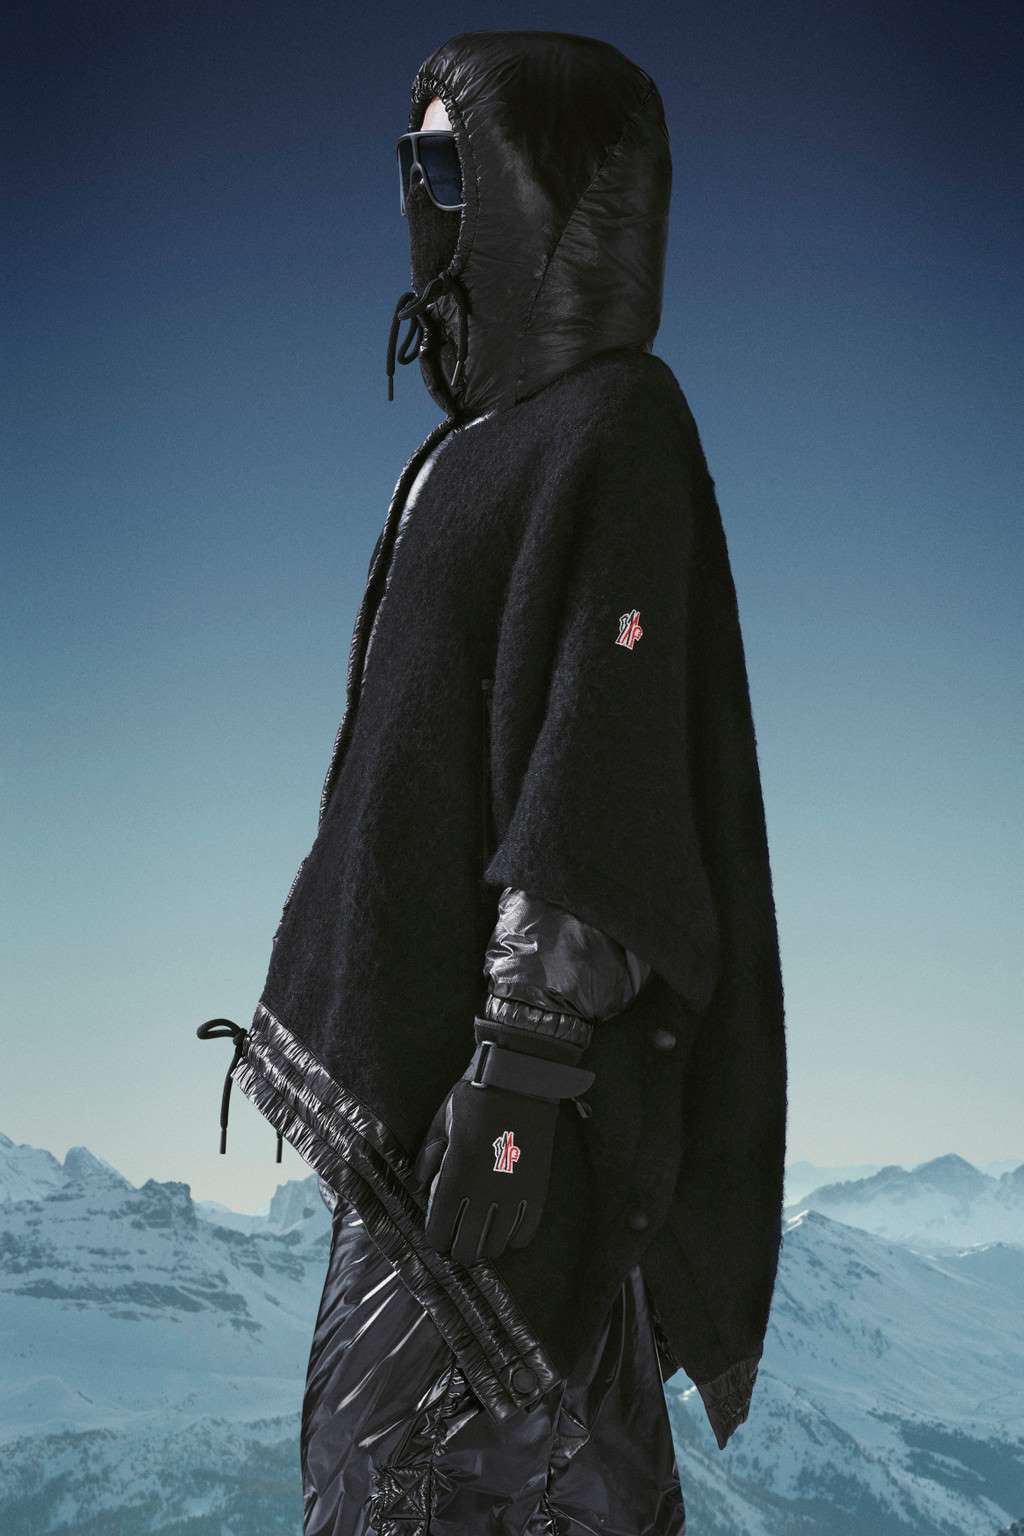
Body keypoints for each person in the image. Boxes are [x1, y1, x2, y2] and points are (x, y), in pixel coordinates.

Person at [196, 29, 787, 1536]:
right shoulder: (472, 452)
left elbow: (609, 757)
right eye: (416, 169)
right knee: (487, 1483)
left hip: (503, 1122)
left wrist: (523, 1067)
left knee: (425, 1482)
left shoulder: (621, 426)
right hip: (442, 1117)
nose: (424, 205)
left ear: (551, 198)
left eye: (457, 169)